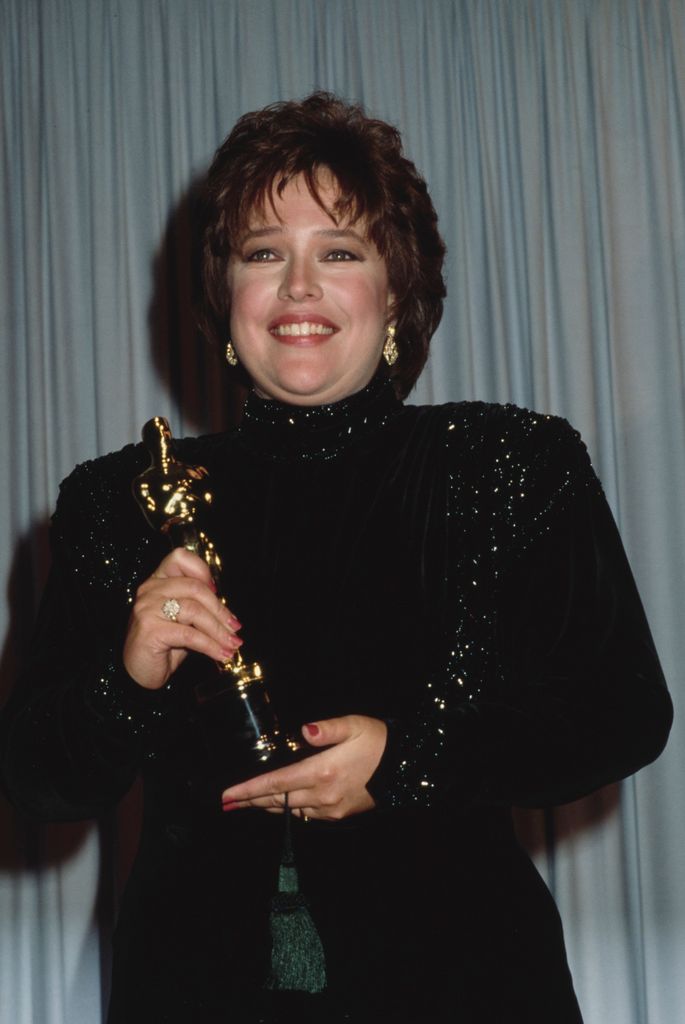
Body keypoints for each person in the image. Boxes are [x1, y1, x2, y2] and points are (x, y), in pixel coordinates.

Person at [0, 93, 673, 1023]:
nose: (299, 288)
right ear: (223, 290)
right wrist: (127, 674)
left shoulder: (507, 463)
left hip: (464, 983)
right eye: (263, 252)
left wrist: (407, 760)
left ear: (396, 288)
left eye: (341, 252)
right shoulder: (119, 499)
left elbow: (621, 711)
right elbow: (37, 779)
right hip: (198, 989)